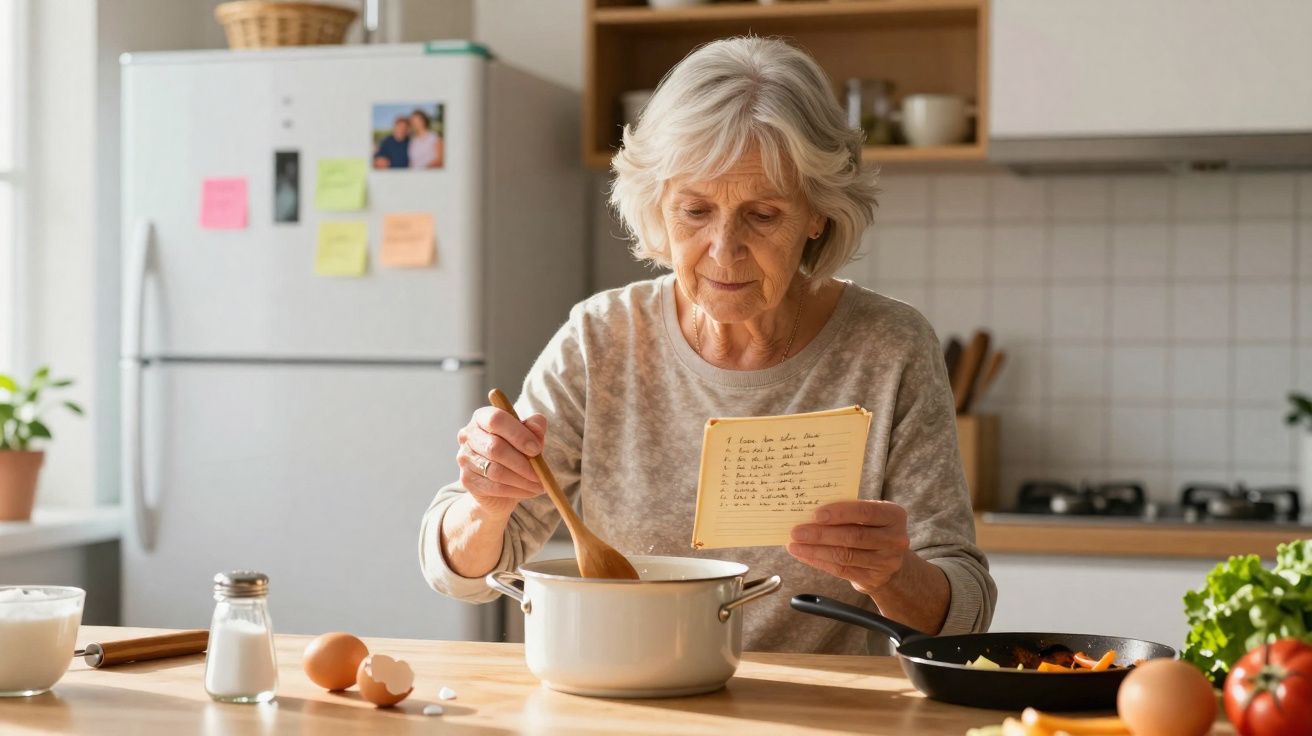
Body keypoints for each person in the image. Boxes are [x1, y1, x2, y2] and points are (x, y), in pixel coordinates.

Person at [418, 37, 996, 654]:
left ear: (817, 215)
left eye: (763, 215)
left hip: (815, 713)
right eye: (695, 211)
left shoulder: (890, 347)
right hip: (633, 700)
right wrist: (486, 504)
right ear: (658, 206)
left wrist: (893, 572)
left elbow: (964, 614)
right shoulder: (603, 338)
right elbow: (460, 574)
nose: (724, 249)